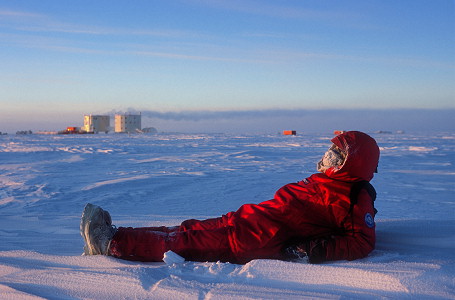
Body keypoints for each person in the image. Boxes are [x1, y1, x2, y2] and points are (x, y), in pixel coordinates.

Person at [80, 131, 380, 264]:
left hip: (257, 238)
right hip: (248, 221)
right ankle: (116, 233)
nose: (326, 158)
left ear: (352, 161)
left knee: (182, 243)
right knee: (186, 229)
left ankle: (111, 244)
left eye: (335, 154)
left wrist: (308, 250)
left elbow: (361, 242)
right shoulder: (332, 181)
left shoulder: (354, 196)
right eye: (330, 153)